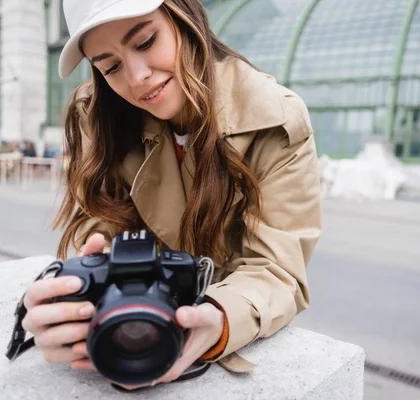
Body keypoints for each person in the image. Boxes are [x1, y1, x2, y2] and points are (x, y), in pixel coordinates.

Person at [21, 0, 322, 391]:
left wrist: (217, 318)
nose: (137, 76)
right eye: (110, 67)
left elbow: (278, 269)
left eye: (146, 41)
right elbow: (96, 228)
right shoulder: (96, 115)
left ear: (184, 16)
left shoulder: (273, 119)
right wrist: (80, 305)